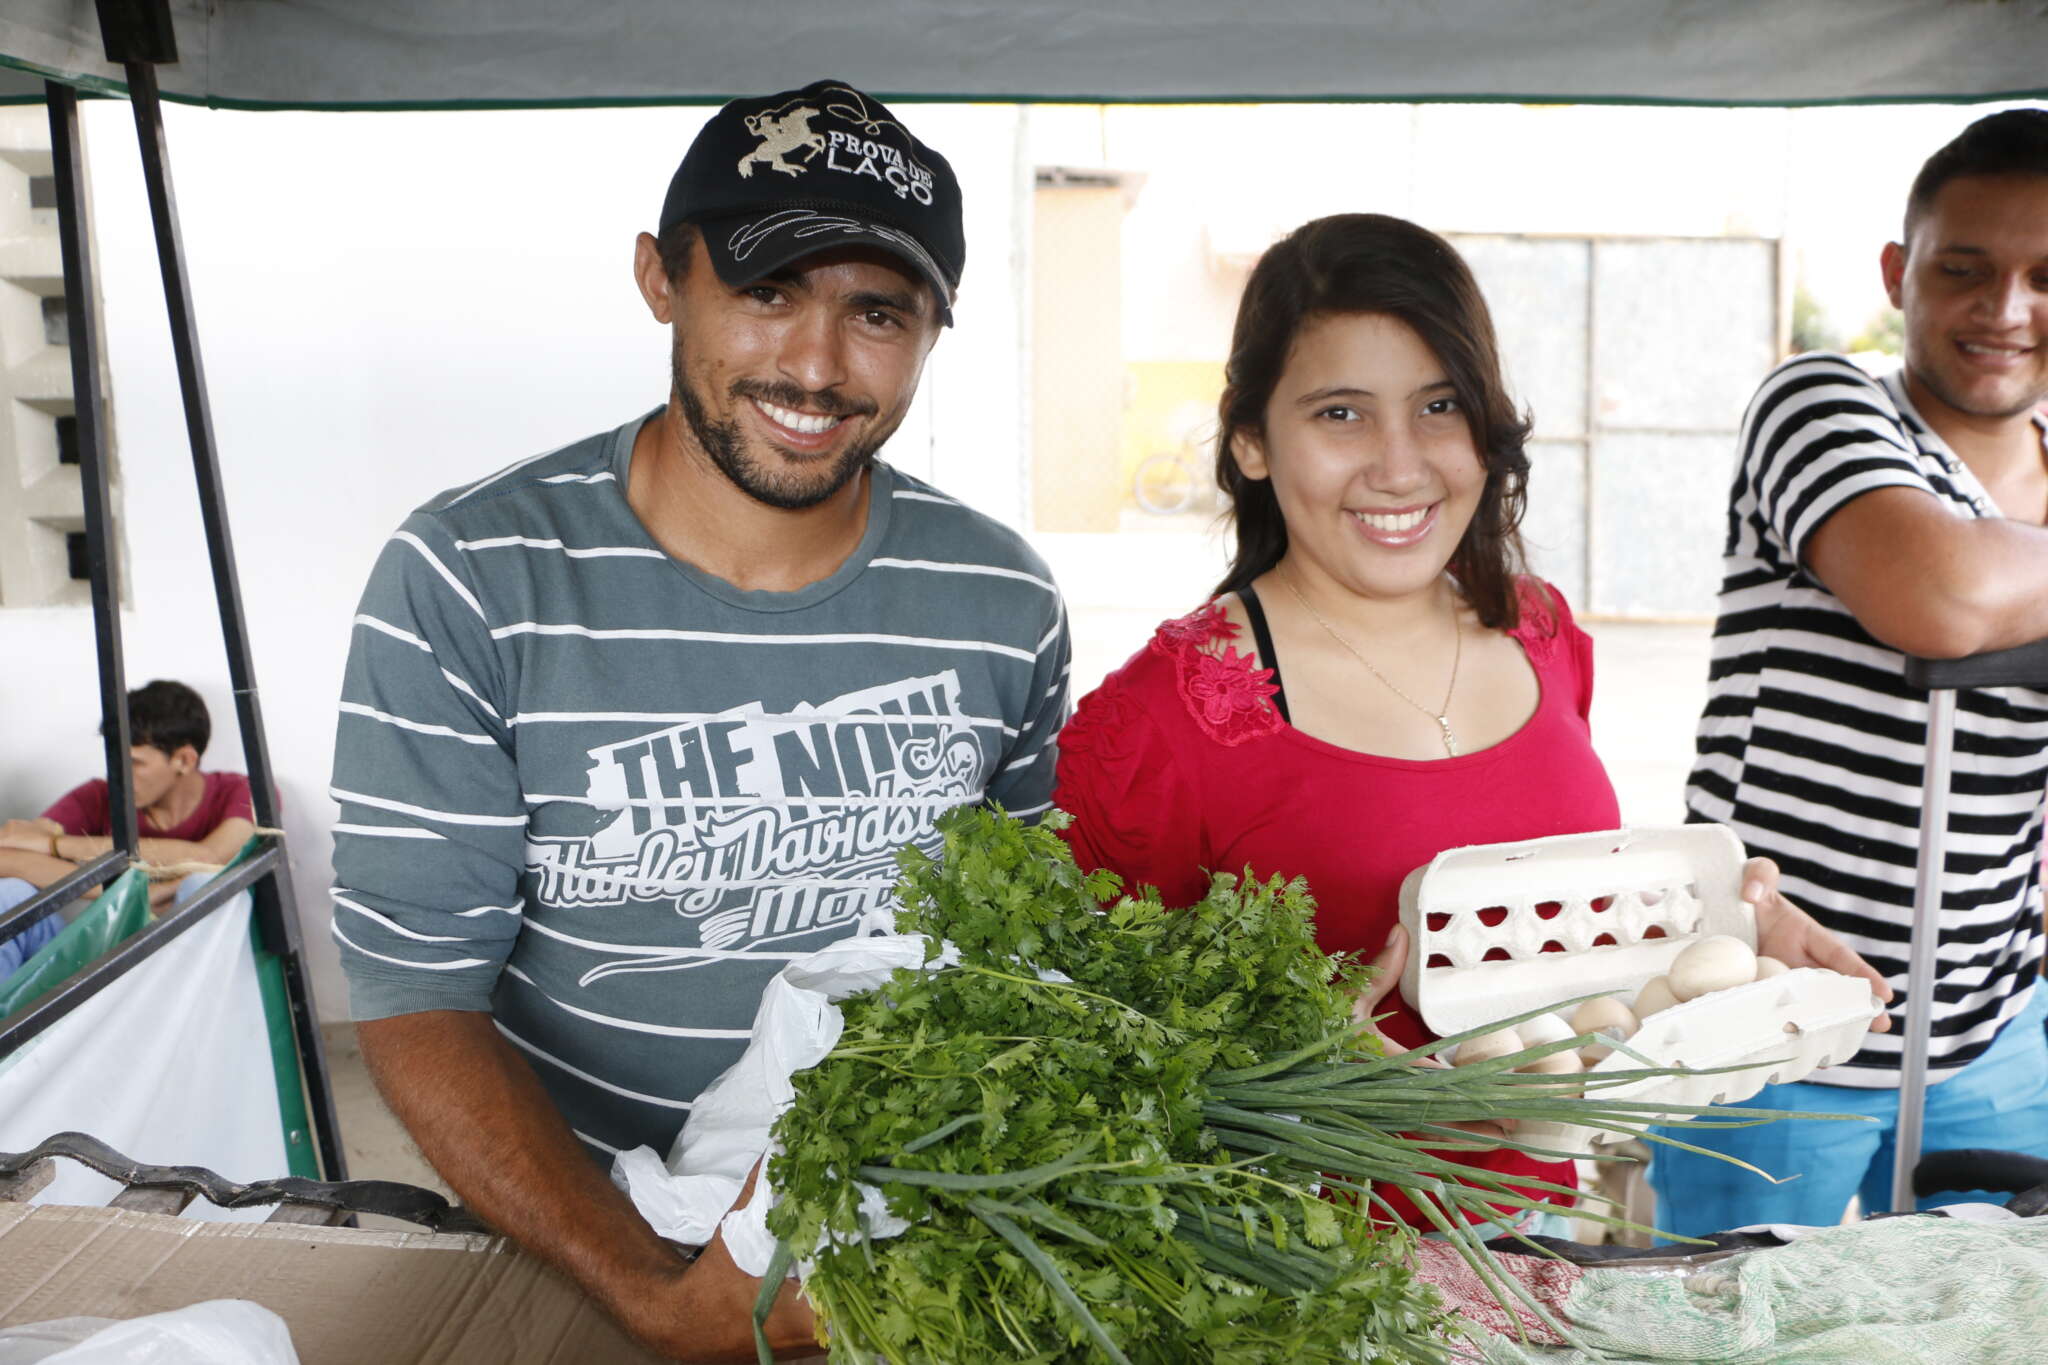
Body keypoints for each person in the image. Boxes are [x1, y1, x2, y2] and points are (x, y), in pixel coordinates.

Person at [330, 80, 1069, 1361]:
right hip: (579, 1247)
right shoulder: (471, 574)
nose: (816, 366)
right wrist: (652, 1296)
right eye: (766, 291)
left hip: (897, 1260)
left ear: (931, 332)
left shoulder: (1000, 602)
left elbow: (1012, 958)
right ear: (659, 278)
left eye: (877, 313)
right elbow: (416, 999)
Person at [1049, 213, 1888, 1235]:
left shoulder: (1539, 633)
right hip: (1309, 1270)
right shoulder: (1159, 724)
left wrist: (1725, 933)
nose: (1400, 466)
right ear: (1252, 441)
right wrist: (1278, 1070)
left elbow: (1551, 916)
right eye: (1341, 414)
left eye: (1439, 405)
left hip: (1542, 1229)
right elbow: (1079, 1051)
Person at [1657, 108, 2048, 1236]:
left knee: (1989, 1313)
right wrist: (1975, 570)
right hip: (1769, 1017)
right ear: (1896, 273)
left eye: (2043, 278)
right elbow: (1936, 594)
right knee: (1723, 1310)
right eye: (1963, 269)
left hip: (1990, 1027)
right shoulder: (1822, 403)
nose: (2005, 309)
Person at [0, 680, 256, 959]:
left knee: (196, 884)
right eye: (113, 760)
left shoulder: (242, 792)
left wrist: (55, 845)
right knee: (10, 893)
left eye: (134, 762)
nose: (117, 775)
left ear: (184, 760)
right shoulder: (97, 796)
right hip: (103, 962)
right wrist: (126, 893)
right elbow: (6, 855)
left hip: (190, 965)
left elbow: (209, 858)